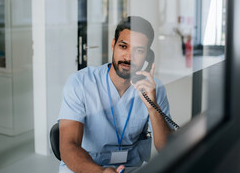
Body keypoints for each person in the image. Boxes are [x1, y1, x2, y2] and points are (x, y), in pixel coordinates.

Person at [58, 16, 173, 173]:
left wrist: (153, 108)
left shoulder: (153, 88)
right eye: (123, 46)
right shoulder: (80, 83)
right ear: (113, 45)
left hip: (131, 167)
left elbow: (167, 148)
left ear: (147, 55)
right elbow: (68, 146)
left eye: (139, 51)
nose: (128, 57)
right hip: (87, 167)